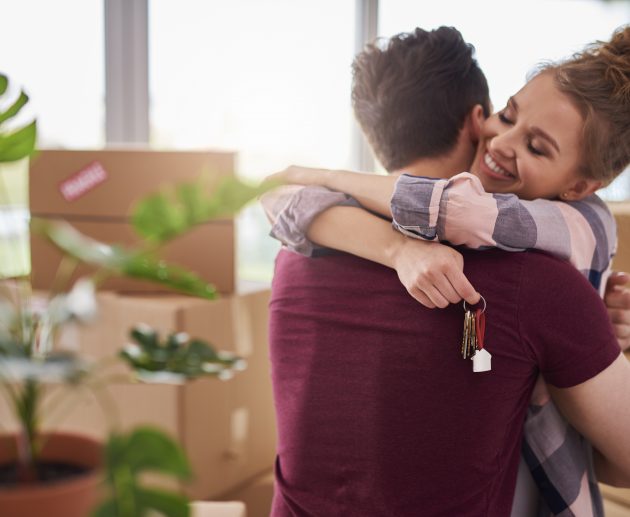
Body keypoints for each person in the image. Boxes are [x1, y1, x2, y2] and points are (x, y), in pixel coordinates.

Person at [264, 26, 630, 516]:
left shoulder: (295, 254)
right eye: (506, 116)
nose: (503, 141)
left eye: (537, 145)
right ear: (476, 120)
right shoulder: (542, 286)